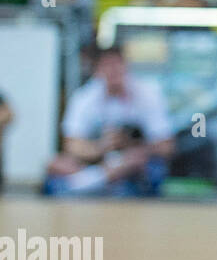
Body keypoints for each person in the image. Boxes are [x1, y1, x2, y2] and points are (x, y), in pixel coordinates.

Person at [44, 46, 174, 196]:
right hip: (96, 162)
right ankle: (94, 179)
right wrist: (102, 147)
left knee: (144, 164)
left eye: (117, 65)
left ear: (126, 66)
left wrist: (129, 145)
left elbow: (167, 146)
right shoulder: (84, 97)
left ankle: (85, 182)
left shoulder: (148, 95)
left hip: (133, 167)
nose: (113, 71)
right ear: (97, 70)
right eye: (107, 66)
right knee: (56, 165)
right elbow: (71, 144)